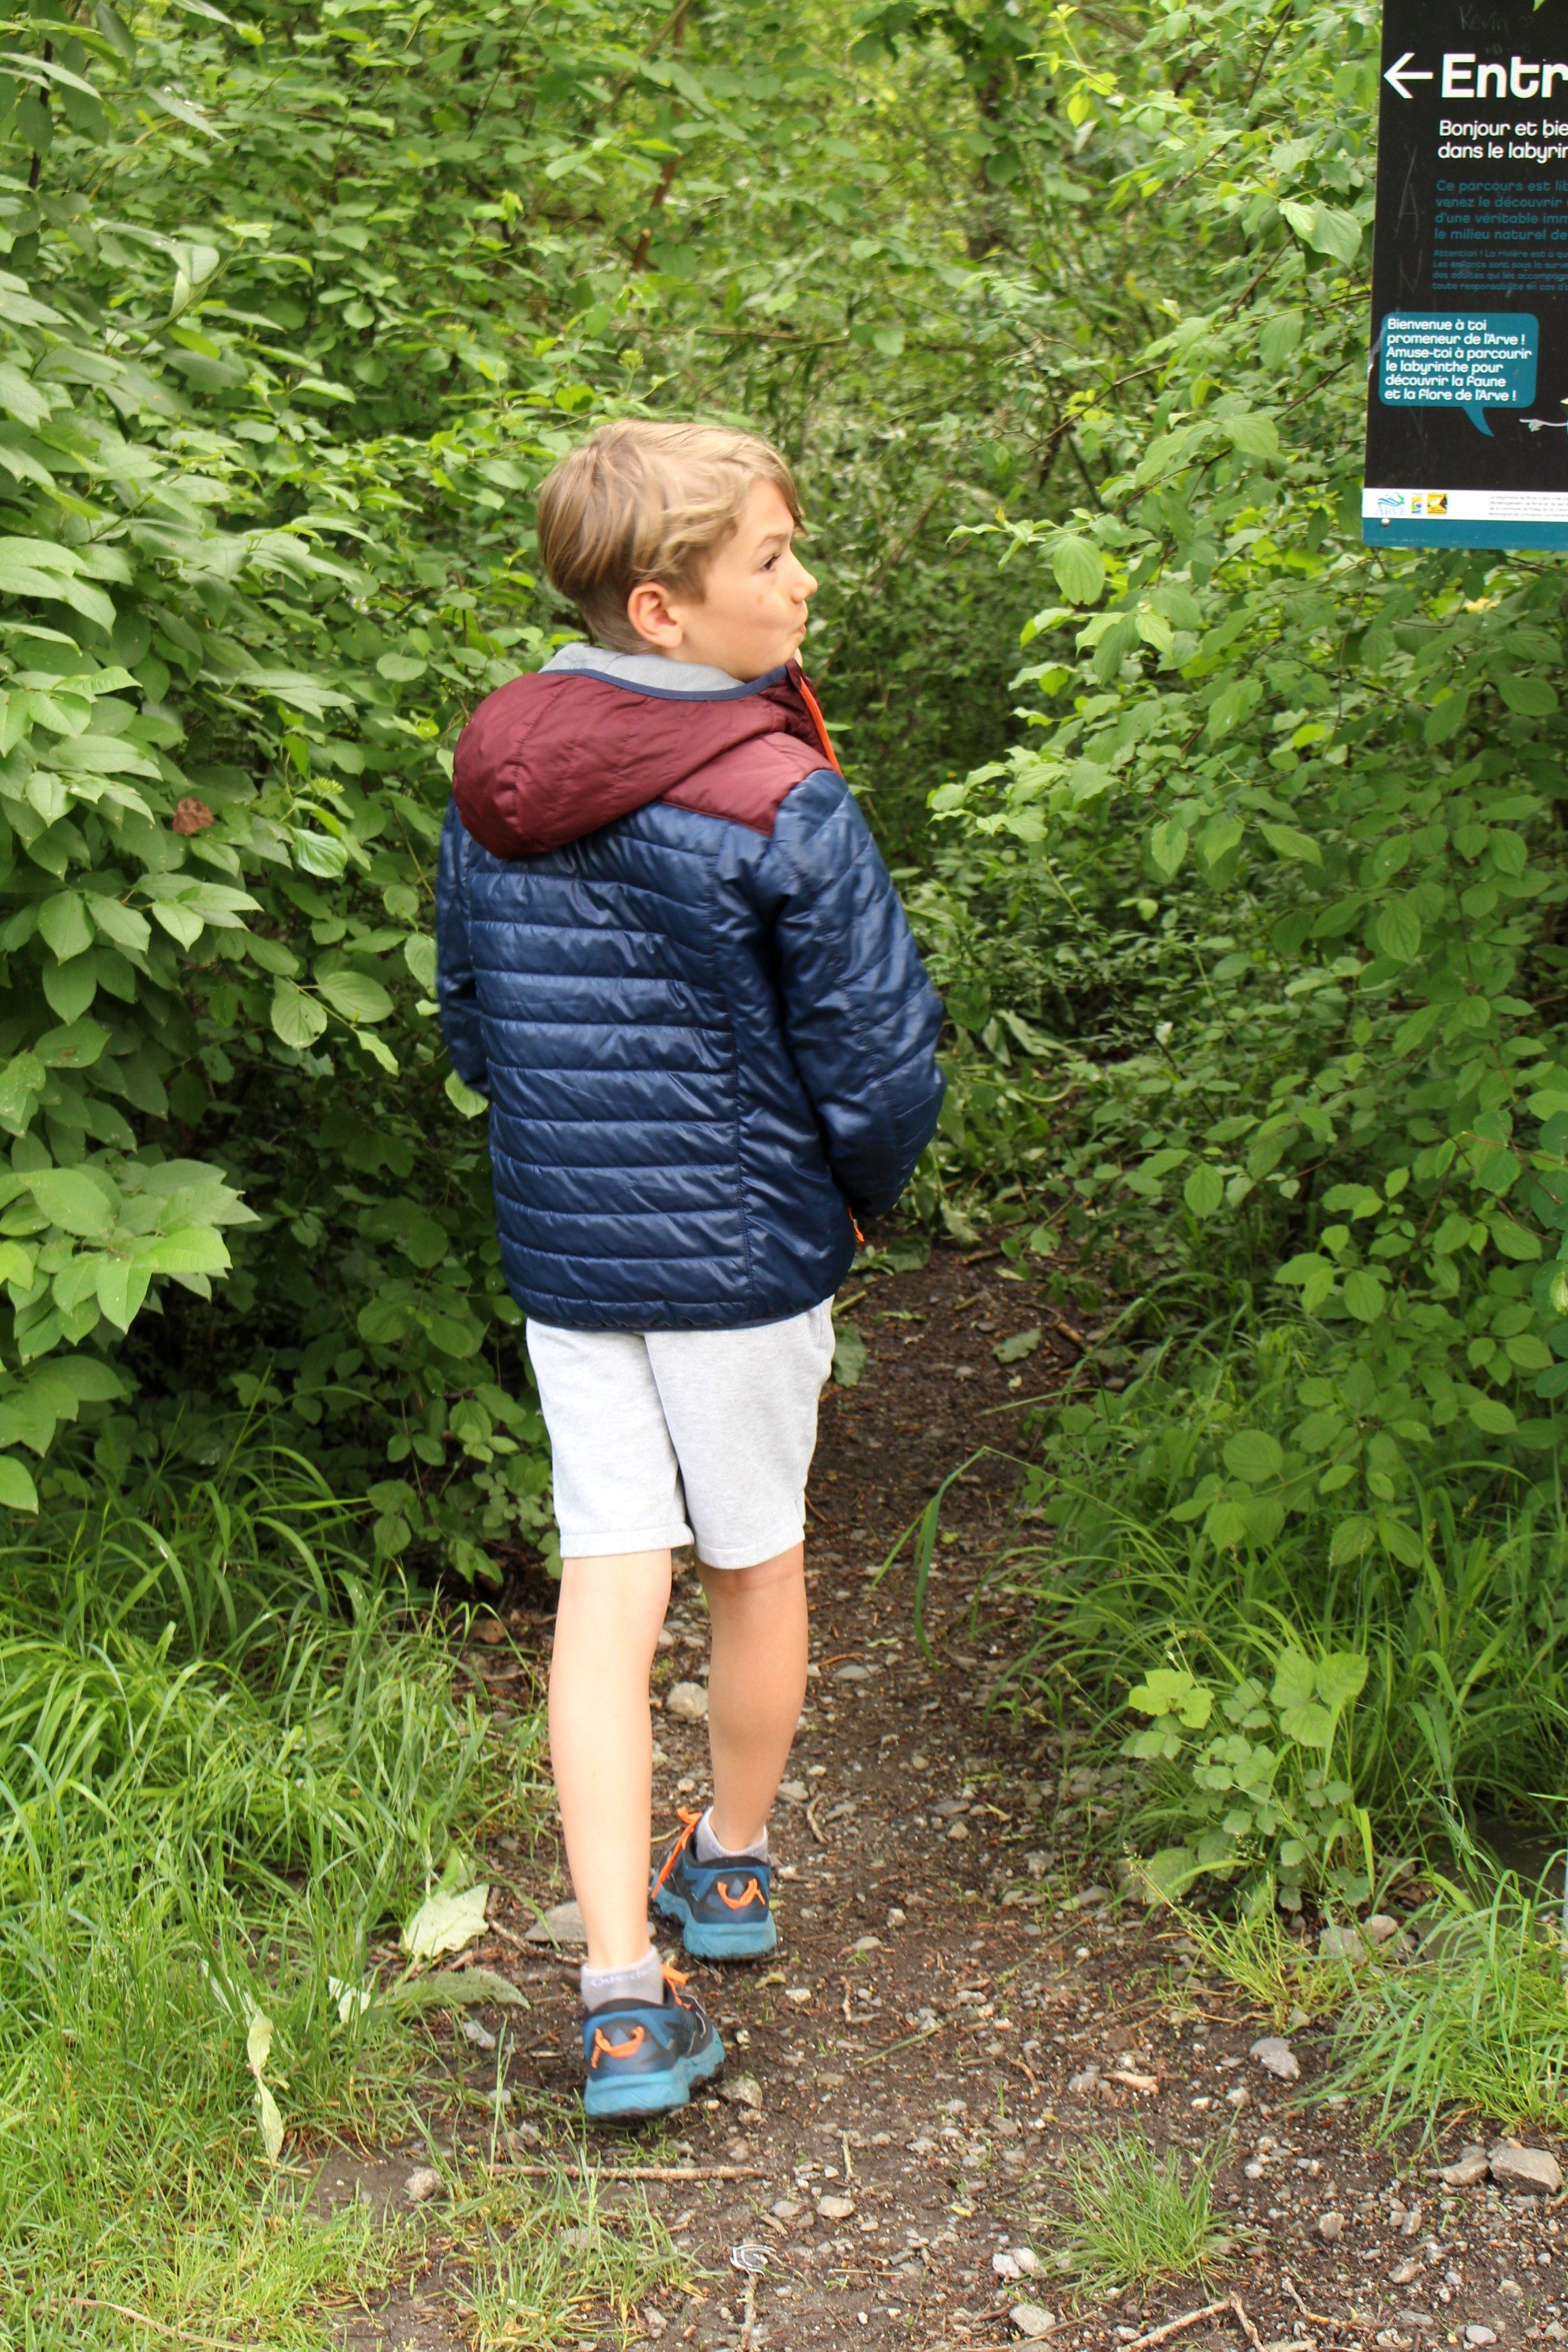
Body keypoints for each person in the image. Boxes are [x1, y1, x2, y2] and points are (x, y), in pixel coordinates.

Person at [436, 419, 944, 2122]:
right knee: (755, 1564)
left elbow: (470, 1019)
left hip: (570, 1253)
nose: (805, 586)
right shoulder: (779, 794)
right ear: (663, 608)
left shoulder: (495, 773)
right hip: (744, 1258)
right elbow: (882, 1065)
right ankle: (726, 1865)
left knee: (606, 1588)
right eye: (773, 560)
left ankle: (618, 2001)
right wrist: (850, 1202)